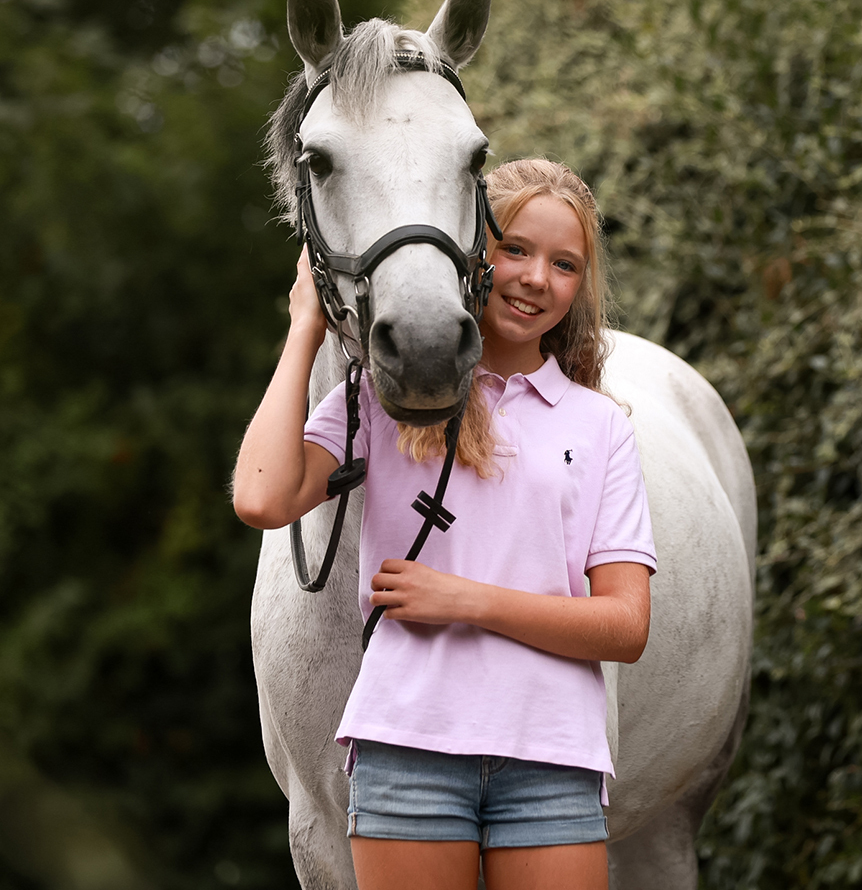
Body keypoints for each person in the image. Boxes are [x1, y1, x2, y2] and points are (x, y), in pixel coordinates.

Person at [232, 159, 656, 890]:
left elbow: (626, 626)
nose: (535, 278)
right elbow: (262, 498)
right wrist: (306, 325)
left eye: (564, 265)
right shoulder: (381, 402)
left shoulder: (601, 427)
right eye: (514, 248)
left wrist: (468, 601)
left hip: (554, 760)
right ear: (469, 249)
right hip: (408, 755)